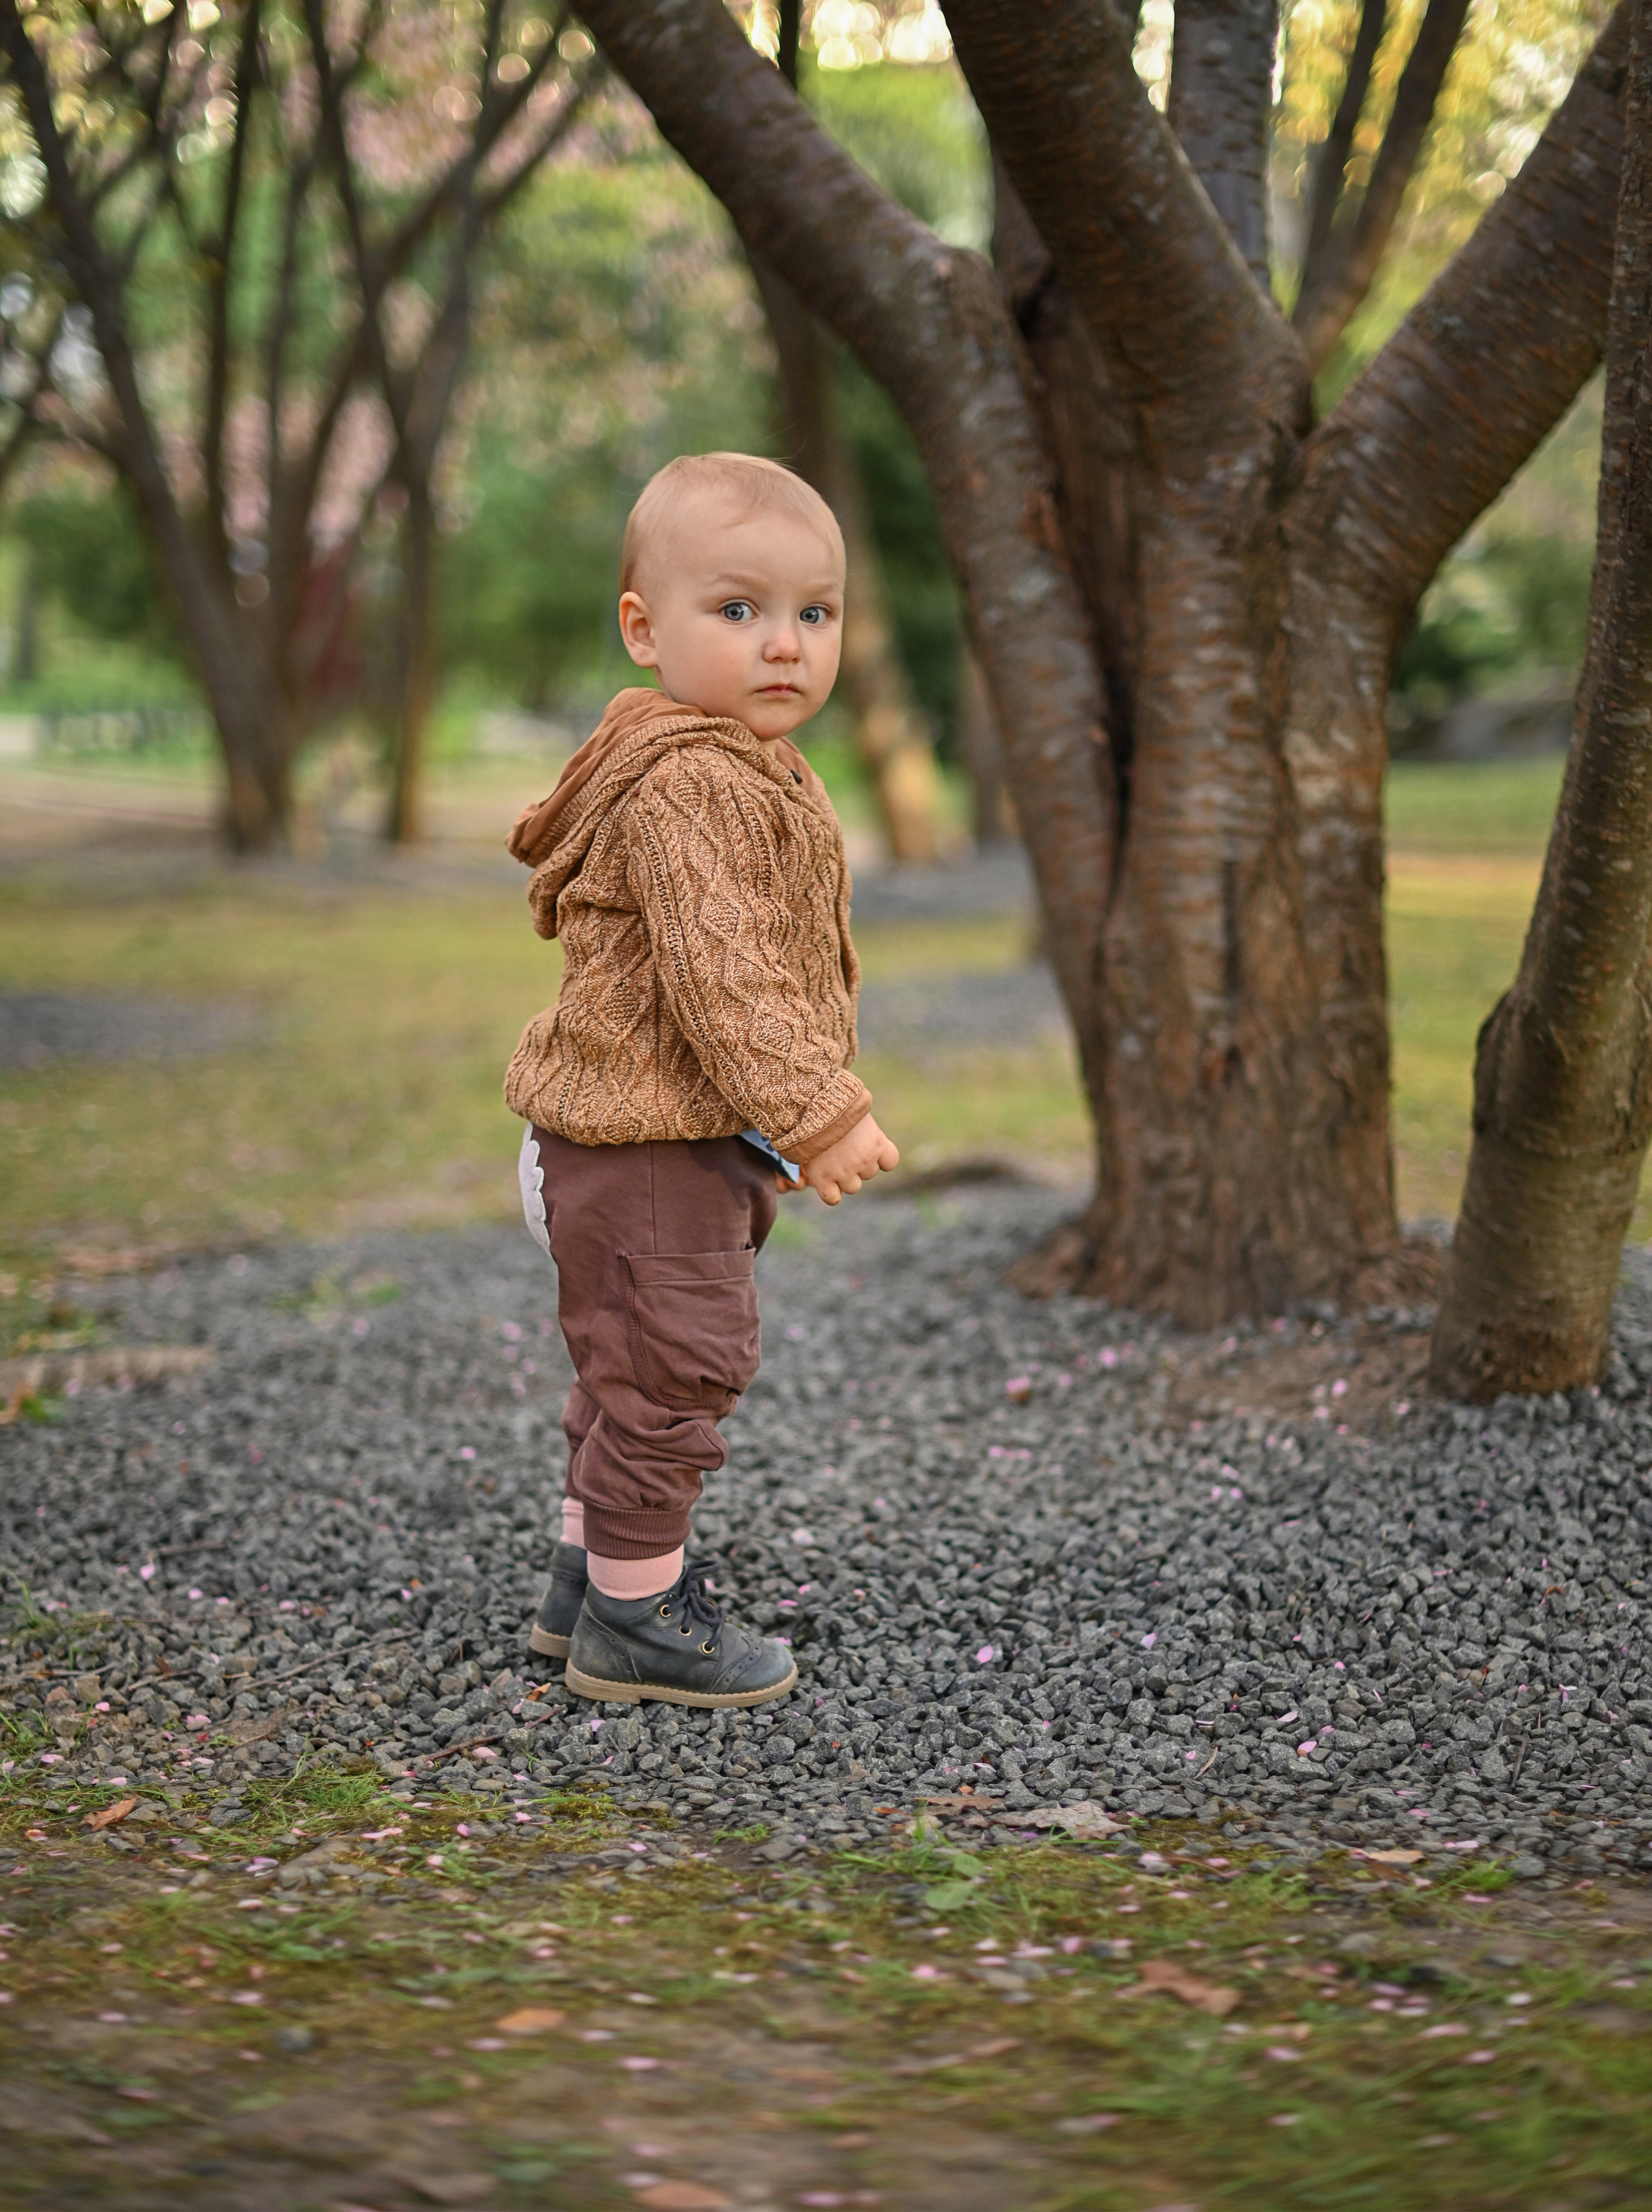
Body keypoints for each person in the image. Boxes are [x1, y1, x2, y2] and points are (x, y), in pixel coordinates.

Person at [505, 451, 899, 1709]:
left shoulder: (728, 758)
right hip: (641, 1155)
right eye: (737, 609)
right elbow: (723, 980)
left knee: (625, 1367)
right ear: (643, 629)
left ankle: (585, 1584)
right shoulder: (689, 783)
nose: (784, 642)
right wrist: (821, 1113)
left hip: (637, 1143)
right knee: (675, 1368)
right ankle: (637, 1626)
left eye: (814, 612)